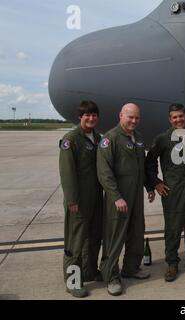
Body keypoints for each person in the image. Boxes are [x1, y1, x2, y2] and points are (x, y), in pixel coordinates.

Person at [145, 104, 185, 282]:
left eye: (181, 116)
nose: (178, 120)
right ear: (170, 120)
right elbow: (149, 162)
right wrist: (156, 182)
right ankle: (172, 263)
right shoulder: (163, 138)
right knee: (173, 229)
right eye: (175, 117)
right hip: (172, 192)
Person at [97, 103, 154, 296]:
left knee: (137, 233)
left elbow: (142, 167)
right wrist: (116, 197)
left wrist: (149, 187)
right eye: (130, 117)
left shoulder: (138, 138)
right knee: (115, 237)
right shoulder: (110, 138)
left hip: (136, 197)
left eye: (137, 118)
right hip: (119, 199)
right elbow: (104, 173)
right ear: (121, 115)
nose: (134, 121)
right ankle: (111, 276)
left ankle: (131, 268)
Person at [59, 101, 103, 298]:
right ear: (80, 117)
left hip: (95, 198)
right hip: (78, 200)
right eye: (87, 115)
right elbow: (67, 173)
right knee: (76, 241)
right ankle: (73, 280)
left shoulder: (97, 138)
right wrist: (71, 200)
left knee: (94, 237)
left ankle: (89, 270)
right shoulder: (71, 139)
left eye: (94, 115)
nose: (91, 118)